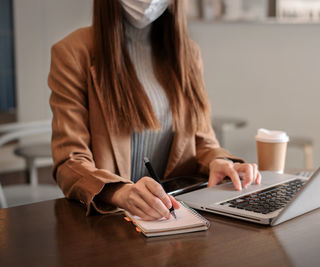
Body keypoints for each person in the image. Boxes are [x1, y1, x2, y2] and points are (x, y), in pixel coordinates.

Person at [48, 0, 261, 220]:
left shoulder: (187, 53)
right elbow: (69, 162)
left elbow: (201, 140)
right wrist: (119, 192)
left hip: (175, 216)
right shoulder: (73, 52)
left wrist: (219, 161)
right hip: (112, 220)